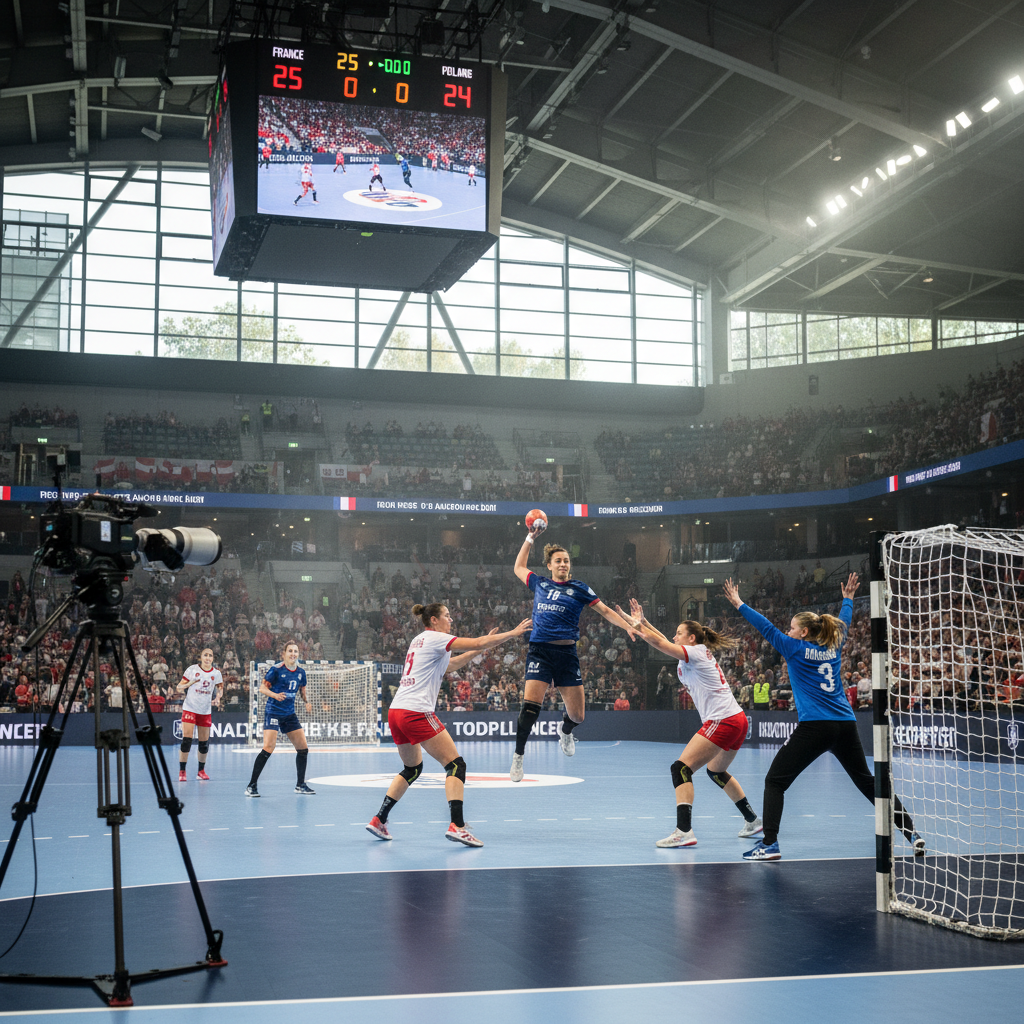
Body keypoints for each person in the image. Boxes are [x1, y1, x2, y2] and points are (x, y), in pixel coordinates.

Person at [722, 574, 924, 861]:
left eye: (792, 628)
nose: (787, 632)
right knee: (868, 781)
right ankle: (912, 833)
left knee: (775, 781)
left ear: (803, 632)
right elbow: (843, 622)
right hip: (845, 724)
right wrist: (849, 599)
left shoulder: (793, 648)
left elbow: (764, 627)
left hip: (815, 726)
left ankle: (769, 844)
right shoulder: (834, 645)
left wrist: (739, 603)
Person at [367, 603, 532, 847]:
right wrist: (511, 633)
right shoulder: (436, 638)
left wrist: (486, 643)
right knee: (456, 765)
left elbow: (453, 664)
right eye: (447, 616)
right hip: (415, 711)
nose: (451, 620)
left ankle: (379, 819)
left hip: (396, 711)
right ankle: (458, 825)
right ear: (433, 620)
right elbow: (475, 643)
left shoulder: (420, 641)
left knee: (411, 769)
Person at [621, 599, 763, 848]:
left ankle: (683, 831)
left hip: (723, 719)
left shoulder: (695, 652)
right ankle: (752, 819)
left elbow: (659, 642)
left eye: (679, 633)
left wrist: (638, 628)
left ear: (692, 638)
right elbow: (662, 639)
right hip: (736, 719)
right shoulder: (693, 654)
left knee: (681, 769)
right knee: (715, 771)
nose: (674, 637)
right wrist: (642, 622)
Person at [510, 520, 636, 782]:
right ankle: (518, 757)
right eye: (558, 561)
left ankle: (565, 731)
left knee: (578, 716)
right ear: (550, 565)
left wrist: (627, 627)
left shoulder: (579, 588)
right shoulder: (540, 584)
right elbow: (518, 567)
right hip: (540, 652)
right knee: (530, 710)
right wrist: (530, 538)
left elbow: (605, 611)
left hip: (567, 655)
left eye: (566, 560)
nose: (563, 564)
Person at [246, 639, 315, 797]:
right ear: (284, 654)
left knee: (303, 749)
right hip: (274, 712)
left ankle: (300, 785)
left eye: (295, 651)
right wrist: (275, 695)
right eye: (290, 651)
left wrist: (307, 702)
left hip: (289, 714)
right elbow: (262, 688)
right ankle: (251, 785)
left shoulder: (301, 673)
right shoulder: (276, 670)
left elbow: (302, 692)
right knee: (269, 748)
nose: (293, 654)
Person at [176, 647, 223, 781]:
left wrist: (218, 698)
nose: (208, 658)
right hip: (190, 708)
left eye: (210, 655)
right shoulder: (192, 670)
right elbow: (179, 687)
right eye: (205, 655)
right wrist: (190, 683)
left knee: (204, 743)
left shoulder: (216, 673)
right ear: (201, 657)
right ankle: (182, 771)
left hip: (205, 711)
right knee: (187, 740)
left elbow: (220, 688)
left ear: (213, 658)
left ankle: (201, 771)